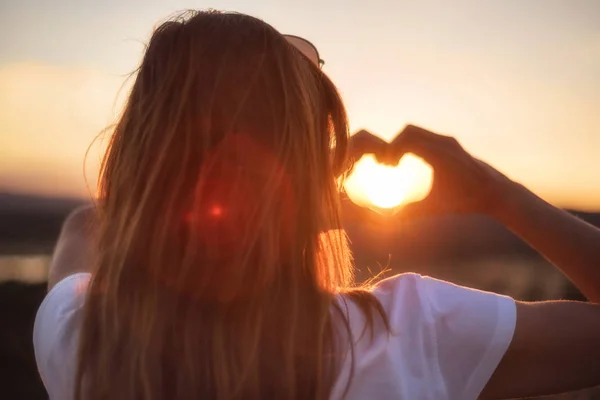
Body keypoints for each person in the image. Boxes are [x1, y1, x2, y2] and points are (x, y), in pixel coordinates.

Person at [33, 10, 600, 400]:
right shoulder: (415, 334)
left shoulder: (80, 343)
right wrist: (494, 194)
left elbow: (86, 228)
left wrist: (197, 178)